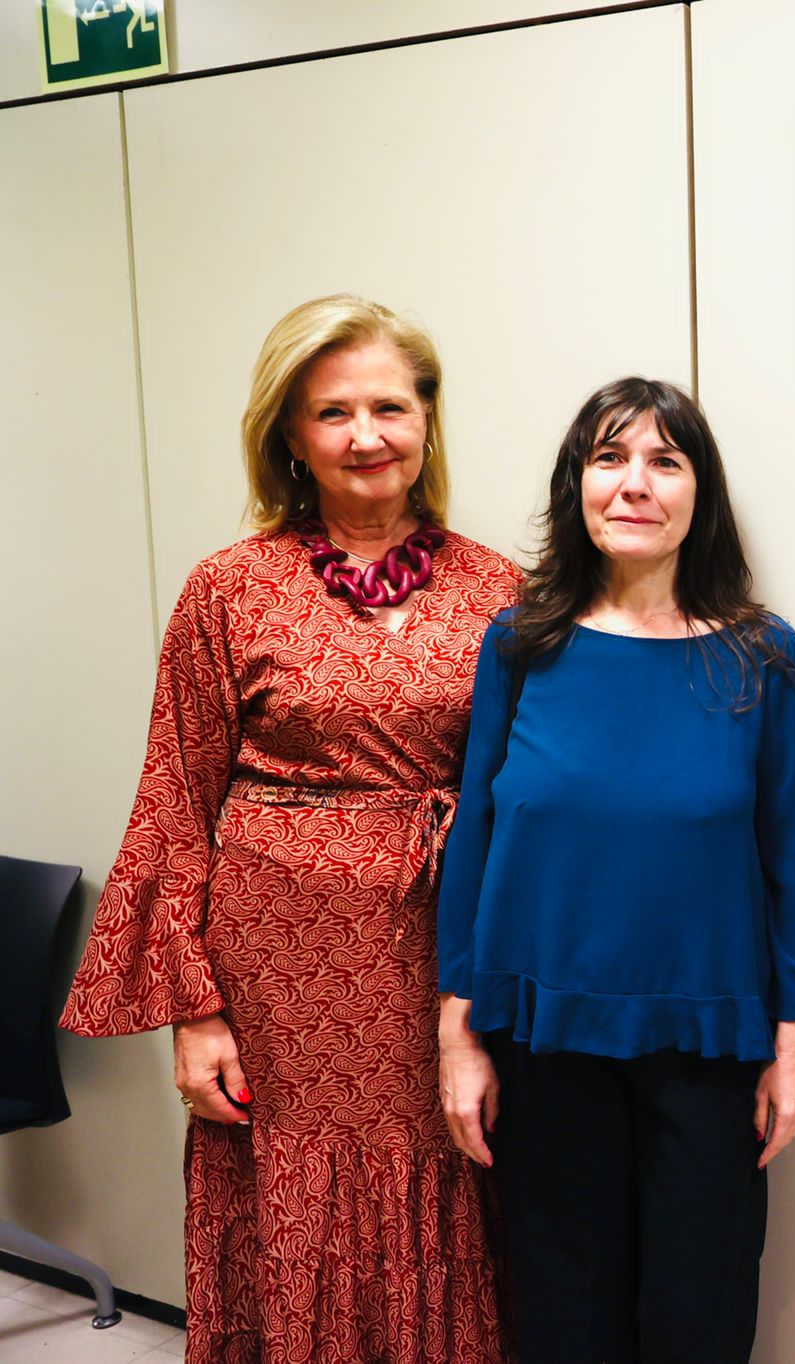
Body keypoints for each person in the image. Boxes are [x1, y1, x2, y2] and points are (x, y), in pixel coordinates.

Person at [61, 296, 519, 1362]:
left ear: (427, 420)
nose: (367, 435)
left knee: (444, 1184)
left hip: (439, 959)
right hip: (277, 975)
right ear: (289, 434)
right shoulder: (230, 591)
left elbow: (528, 794)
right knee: (294, 1197)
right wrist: (194, 1009)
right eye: (333, 412)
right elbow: (175, 800)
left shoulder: (501, 590)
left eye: (390, 407)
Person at [435, 377, 795, 1363]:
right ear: (575, 486)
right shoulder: (520, 644)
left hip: (705, 1044)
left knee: (695, 1315)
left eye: (665, 461)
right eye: (610, 458)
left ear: (698, 493)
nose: (635, 484)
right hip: (542, 1036)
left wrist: (791, 1046)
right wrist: (457, 1033)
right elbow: (476, 835)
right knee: (560, 1307)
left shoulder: (764, 657)